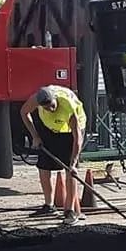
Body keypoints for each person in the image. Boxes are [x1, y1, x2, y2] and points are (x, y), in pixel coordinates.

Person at [20, 85, 87, 225]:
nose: (50, 109)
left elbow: (77, 139)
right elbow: (24, 112)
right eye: (46, 108)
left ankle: (70, 211)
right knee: (43, 166)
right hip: (50, 127)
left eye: (52, 106)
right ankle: (49, 205)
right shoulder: (36, 99)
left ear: (55, 99)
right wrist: (35, 136)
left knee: (70, 171)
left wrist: (73, 163)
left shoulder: (68, 106)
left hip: (70, 131)